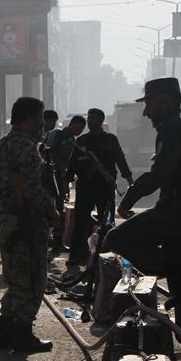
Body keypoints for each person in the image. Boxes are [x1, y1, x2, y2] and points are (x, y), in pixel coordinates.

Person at [102, 77, 181, 361]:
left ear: (165, 102)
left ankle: (171, 264)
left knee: (116, 239)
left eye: (149, 104)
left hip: (180, 209)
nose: (146, 113)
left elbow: (162, 172)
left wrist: (128, 198)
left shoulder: (173, 128)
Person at [0, 97, 57, 352]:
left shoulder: (1, 145)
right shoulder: (27, 148)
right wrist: (52, 213)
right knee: (32, 276)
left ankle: (5, 333)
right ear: (29, 119)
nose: (42, 123)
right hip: (26, 218)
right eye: (40, 117)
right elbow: (31, 189)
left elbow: (0, 180)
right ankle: (22, 334)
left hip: (7, 215)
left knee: (16, 275)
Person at [66, 108, 133, 267]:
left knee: (107, 223)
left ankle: (109, 258)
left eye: (93, 118)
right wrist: (66, 183)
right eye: (89, 118)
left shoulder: (110, 139)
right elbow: (73, 164)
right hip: (85, 187)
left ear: (101, 121)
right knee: (81, 222)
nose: (90, 121)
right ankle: (76, 256)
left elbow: (120, 159)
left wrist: (129, 179)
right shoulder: (81, 141)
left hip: (105, 186)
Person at [42, 115, 86, 250]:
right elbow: (51, 154)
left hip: (61, 178)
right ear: (72, 125)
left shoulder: (72, 140)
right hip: (51, 177)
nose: (79, 131)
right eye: (78, 127)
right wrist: (62, 170)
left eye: (82, 129)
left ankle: (57, 240)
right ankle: (51, 239)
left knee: (60, 207)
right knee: (52, 207)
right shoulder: (59, 135)